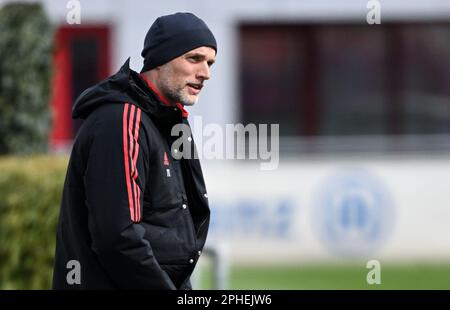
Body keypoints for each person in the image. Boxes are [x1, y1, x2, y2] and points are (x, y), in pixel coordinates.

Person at [52, 12, 217, 289]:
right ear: (161, 59)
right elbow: (117, 236)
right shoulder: (121, 120)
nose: (206, 73)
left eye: (210, 62)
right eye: (194, 59)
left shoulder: (172, 120)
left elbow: (180, 227)